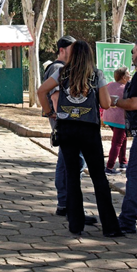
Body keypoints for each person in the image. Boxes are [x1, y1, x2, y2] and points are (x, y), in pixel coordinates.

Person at [37, 41, 121, 237]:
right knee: (98, 176)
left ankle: (75, 224)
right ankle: (110, 227)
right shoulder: (96, 74)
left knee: (72, 176)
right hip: (89, 129)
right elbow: (106, 103)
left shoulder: (62, 73)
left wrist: (50, 112)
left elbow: (41, 91)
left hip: (66, 129)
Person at [41, 36, 89, 219]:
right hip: (67, 123)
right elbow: (55, 97)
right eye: (72, 49)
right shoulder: (58, 68)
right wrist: (56, 114)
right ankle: (65, 202)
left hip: (67, 122)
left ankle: (66, 201)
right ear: (62, 50)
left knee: (70, 161)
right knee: (69, 162)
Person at [113, 40, 137, 233]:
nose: (132, 55)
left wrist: (116, 101)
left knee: (135, 176)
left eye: (134, 52)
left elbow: (135, 103)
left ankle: (127, 219)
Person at [104, 66, 130, 174]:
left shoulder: (110, 85)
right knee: (117, 142)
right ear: (124, 77)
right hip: (120, 119)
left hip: (108, 117)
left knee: (122, 139)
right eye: (128, 74)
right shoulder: (126, 88)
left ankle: (123, 162)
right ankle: (109, 167)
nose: (130, 75)